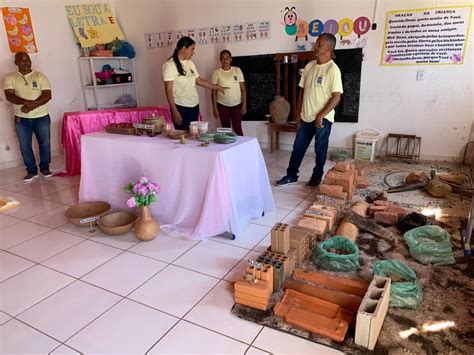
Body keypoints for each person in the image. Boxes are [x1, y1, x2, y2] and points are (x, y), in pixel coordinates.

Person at [276, 33, 343, 188]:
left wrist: (320, 115)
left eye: (319, 44)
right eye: (317, 43)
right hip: (305, 117)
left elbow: (336, 97)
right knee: (298, 147)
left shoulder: (333, 70)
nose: (315, 46)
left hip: (322, 119)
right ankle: (291, 175)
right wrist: (298, 114)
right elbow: (302, 91)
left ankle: (316, 176)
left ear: (328, 48)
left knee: (320, 150)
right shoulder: (309, 66)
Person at [3, 52, 52, 182]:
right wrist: (26, 103)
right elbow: (9, 96)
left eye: (28, 59)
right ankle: (31, 171)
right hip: (21, 119)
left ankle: (45, 168)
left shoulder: (40, 76)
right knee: (24, 145)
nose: (26, 62)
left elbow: (47, 95)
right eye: (22, 60)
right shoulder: (10, 77)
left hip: (42, 117)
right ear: (16, 62)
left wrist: (32, 106)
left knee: (45, 144)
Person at [162, 36, 227, 130]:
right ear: (184, 48)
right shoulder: (169, 65)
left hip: (194, 105)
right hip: (181, 107)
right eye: (192, 49)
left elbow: (199, 80)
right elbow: (168, 91)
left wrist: (217, 87)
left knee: (194, 136)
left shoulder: (190, 63)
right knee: (184, 136)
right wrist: (174, 110)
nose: (193, 53)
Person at [211, 50, 246, 136]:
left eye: (227, 58)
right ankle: (227, 148)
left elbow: (243, 89)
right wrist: (215, 108)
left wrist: (244, 105)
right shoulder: (216, 73)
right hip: (222, 105)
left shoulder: (237, 70)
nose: (225, 60)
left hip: (237, 104)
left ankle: (242, 148)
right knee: (225, 129)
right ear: (220, 59)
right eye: (223, 58)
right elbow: (213, 93)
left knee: (237, 128)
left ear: (231, 59)